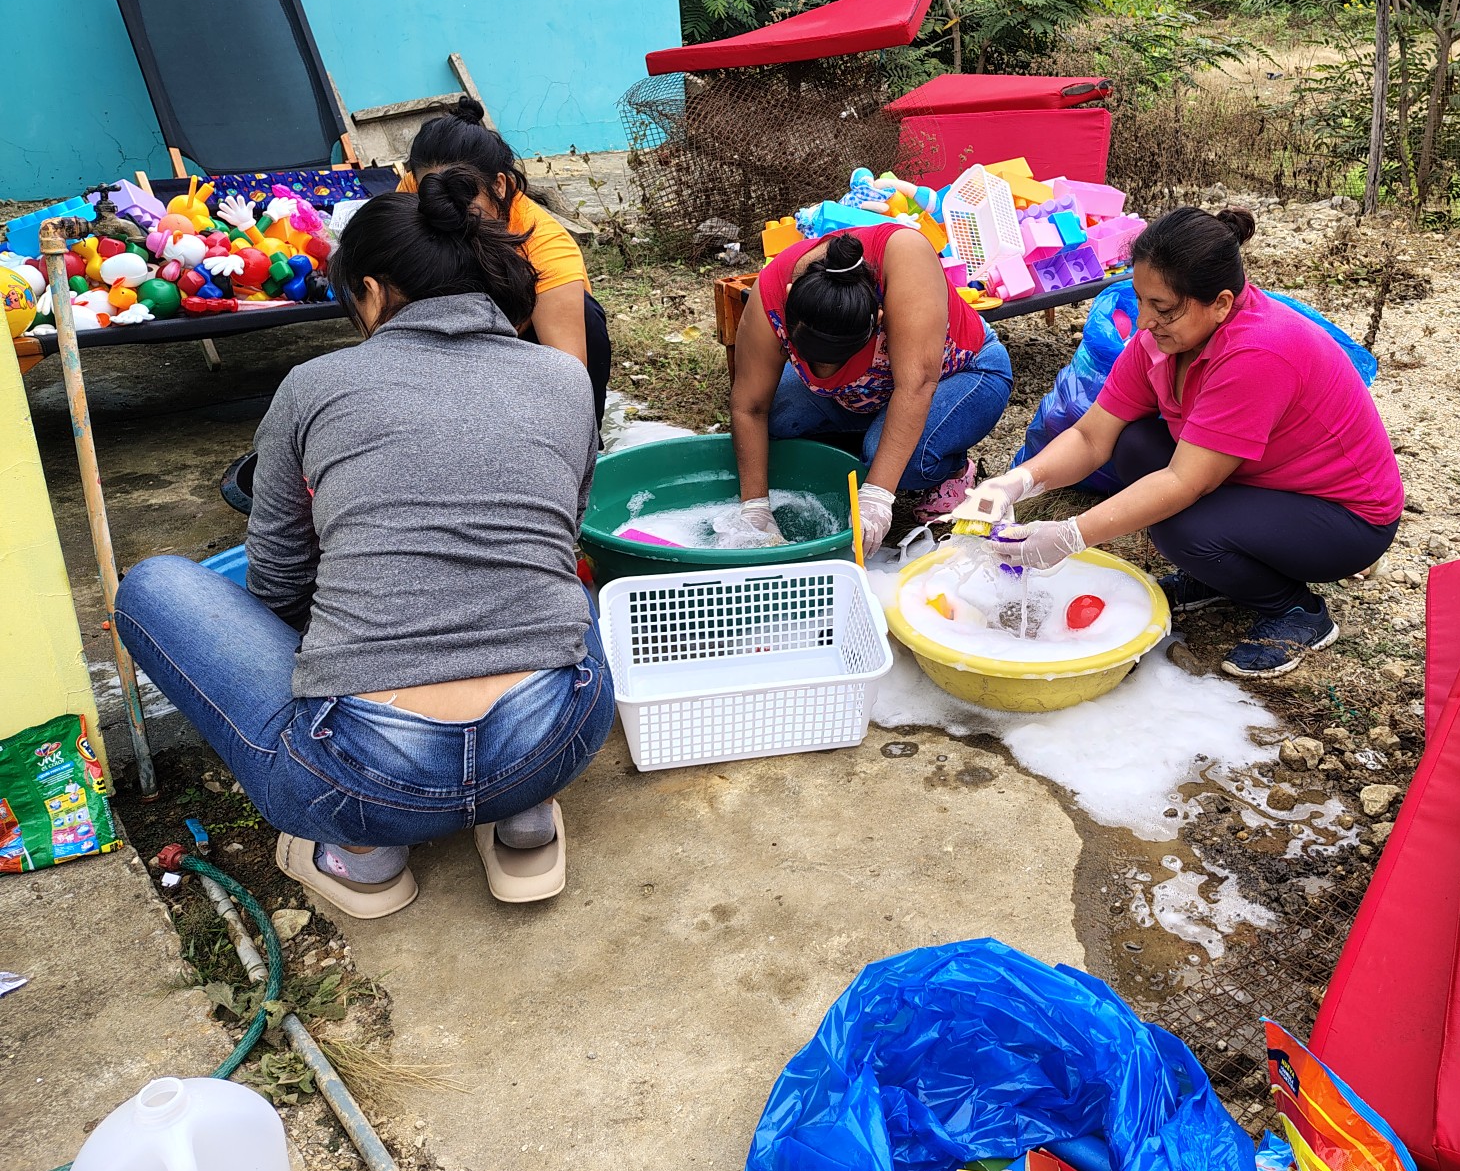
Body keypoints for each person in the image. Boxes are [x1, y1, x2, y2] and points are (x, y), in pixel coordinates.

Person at [112, 167, 612, 919]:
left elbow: (278, 578)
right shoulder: (564, 379)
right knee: (563, 583)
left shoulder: (312, 386)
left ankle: (366, 855)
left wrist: (353, 639)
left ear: (372, 291)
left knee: (151, 586)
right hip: (553, 739)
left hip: (360, 777)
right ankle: (524, 820)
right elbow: (559, 533)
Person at [955, 207, 1403, 678]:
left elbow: (1185, 482)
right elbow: (1090, 436)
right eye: (1140, 300)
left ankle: (1296, 611)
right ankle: (1220, 576)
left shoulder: (1257, 352)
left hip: (1344, 519)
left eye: (1163, 308)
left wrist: (1072, 535)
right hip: (1264, 482)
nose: (1144, 321)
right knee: (1135, 446)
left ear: (1221, 304)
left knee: (1181, 528)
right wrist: (1015, 482)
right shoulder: (1163, 340)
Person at [732, 223, 1013, 558]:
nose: (824, 375)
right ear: (790, 298)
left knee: (903, 463)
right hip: (868, 392)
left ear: (879, 319)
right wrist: (755, 507)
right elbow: (749, 406)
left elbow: (916, 386)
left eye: (839, 361)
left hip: (963, 373)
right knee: (780, 418)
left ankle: (952, 469)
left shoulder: (906, 258)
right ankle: (871, 445)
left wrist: (877, 495)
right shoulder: (772, 291)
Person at [405, 97, 613, 417]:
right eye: (431, 194)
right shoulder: (413, 190)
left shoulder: (547, 250)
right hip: (447, 343)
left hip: (520, 348)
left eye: (462, 193)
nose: (445, 210)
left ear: (499, 186)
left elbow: (567, 381)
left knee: (585, 319)